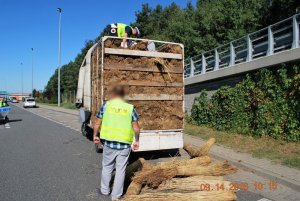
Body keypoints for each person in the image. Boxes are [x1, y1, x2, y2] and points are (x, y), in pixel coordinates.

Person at [93, 86, 140, 201]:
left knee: (107, 166)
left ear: (113, 95)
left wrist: (95, 136)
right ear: (123, 96)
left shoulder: (106, 105)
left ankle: (104, 190)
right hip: (124, 145)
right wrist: (137, 140)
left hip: (109, 144)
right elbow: (136, 128)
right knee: (120, 170)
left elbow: (97, 123)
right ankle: (116, 196)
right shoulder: (130, 108)